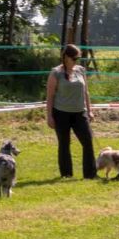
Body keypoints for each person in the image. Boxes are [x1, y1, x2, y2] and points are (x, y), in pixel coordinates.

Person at [45, 44, 96, 179]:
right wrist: (49, 116)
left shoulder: (81, 70)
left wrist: (89, 111)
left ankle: (90, 174)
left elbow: (86, 92)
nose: (76, 61)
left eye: (78, 58)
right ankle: (66, 174)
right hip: (61, 113)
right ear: (66, 57)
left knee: (88, 141)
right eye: (74, 58)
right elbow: (50, 96)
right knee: (64, 144)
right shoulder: (56, 73)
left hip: (80, 113)